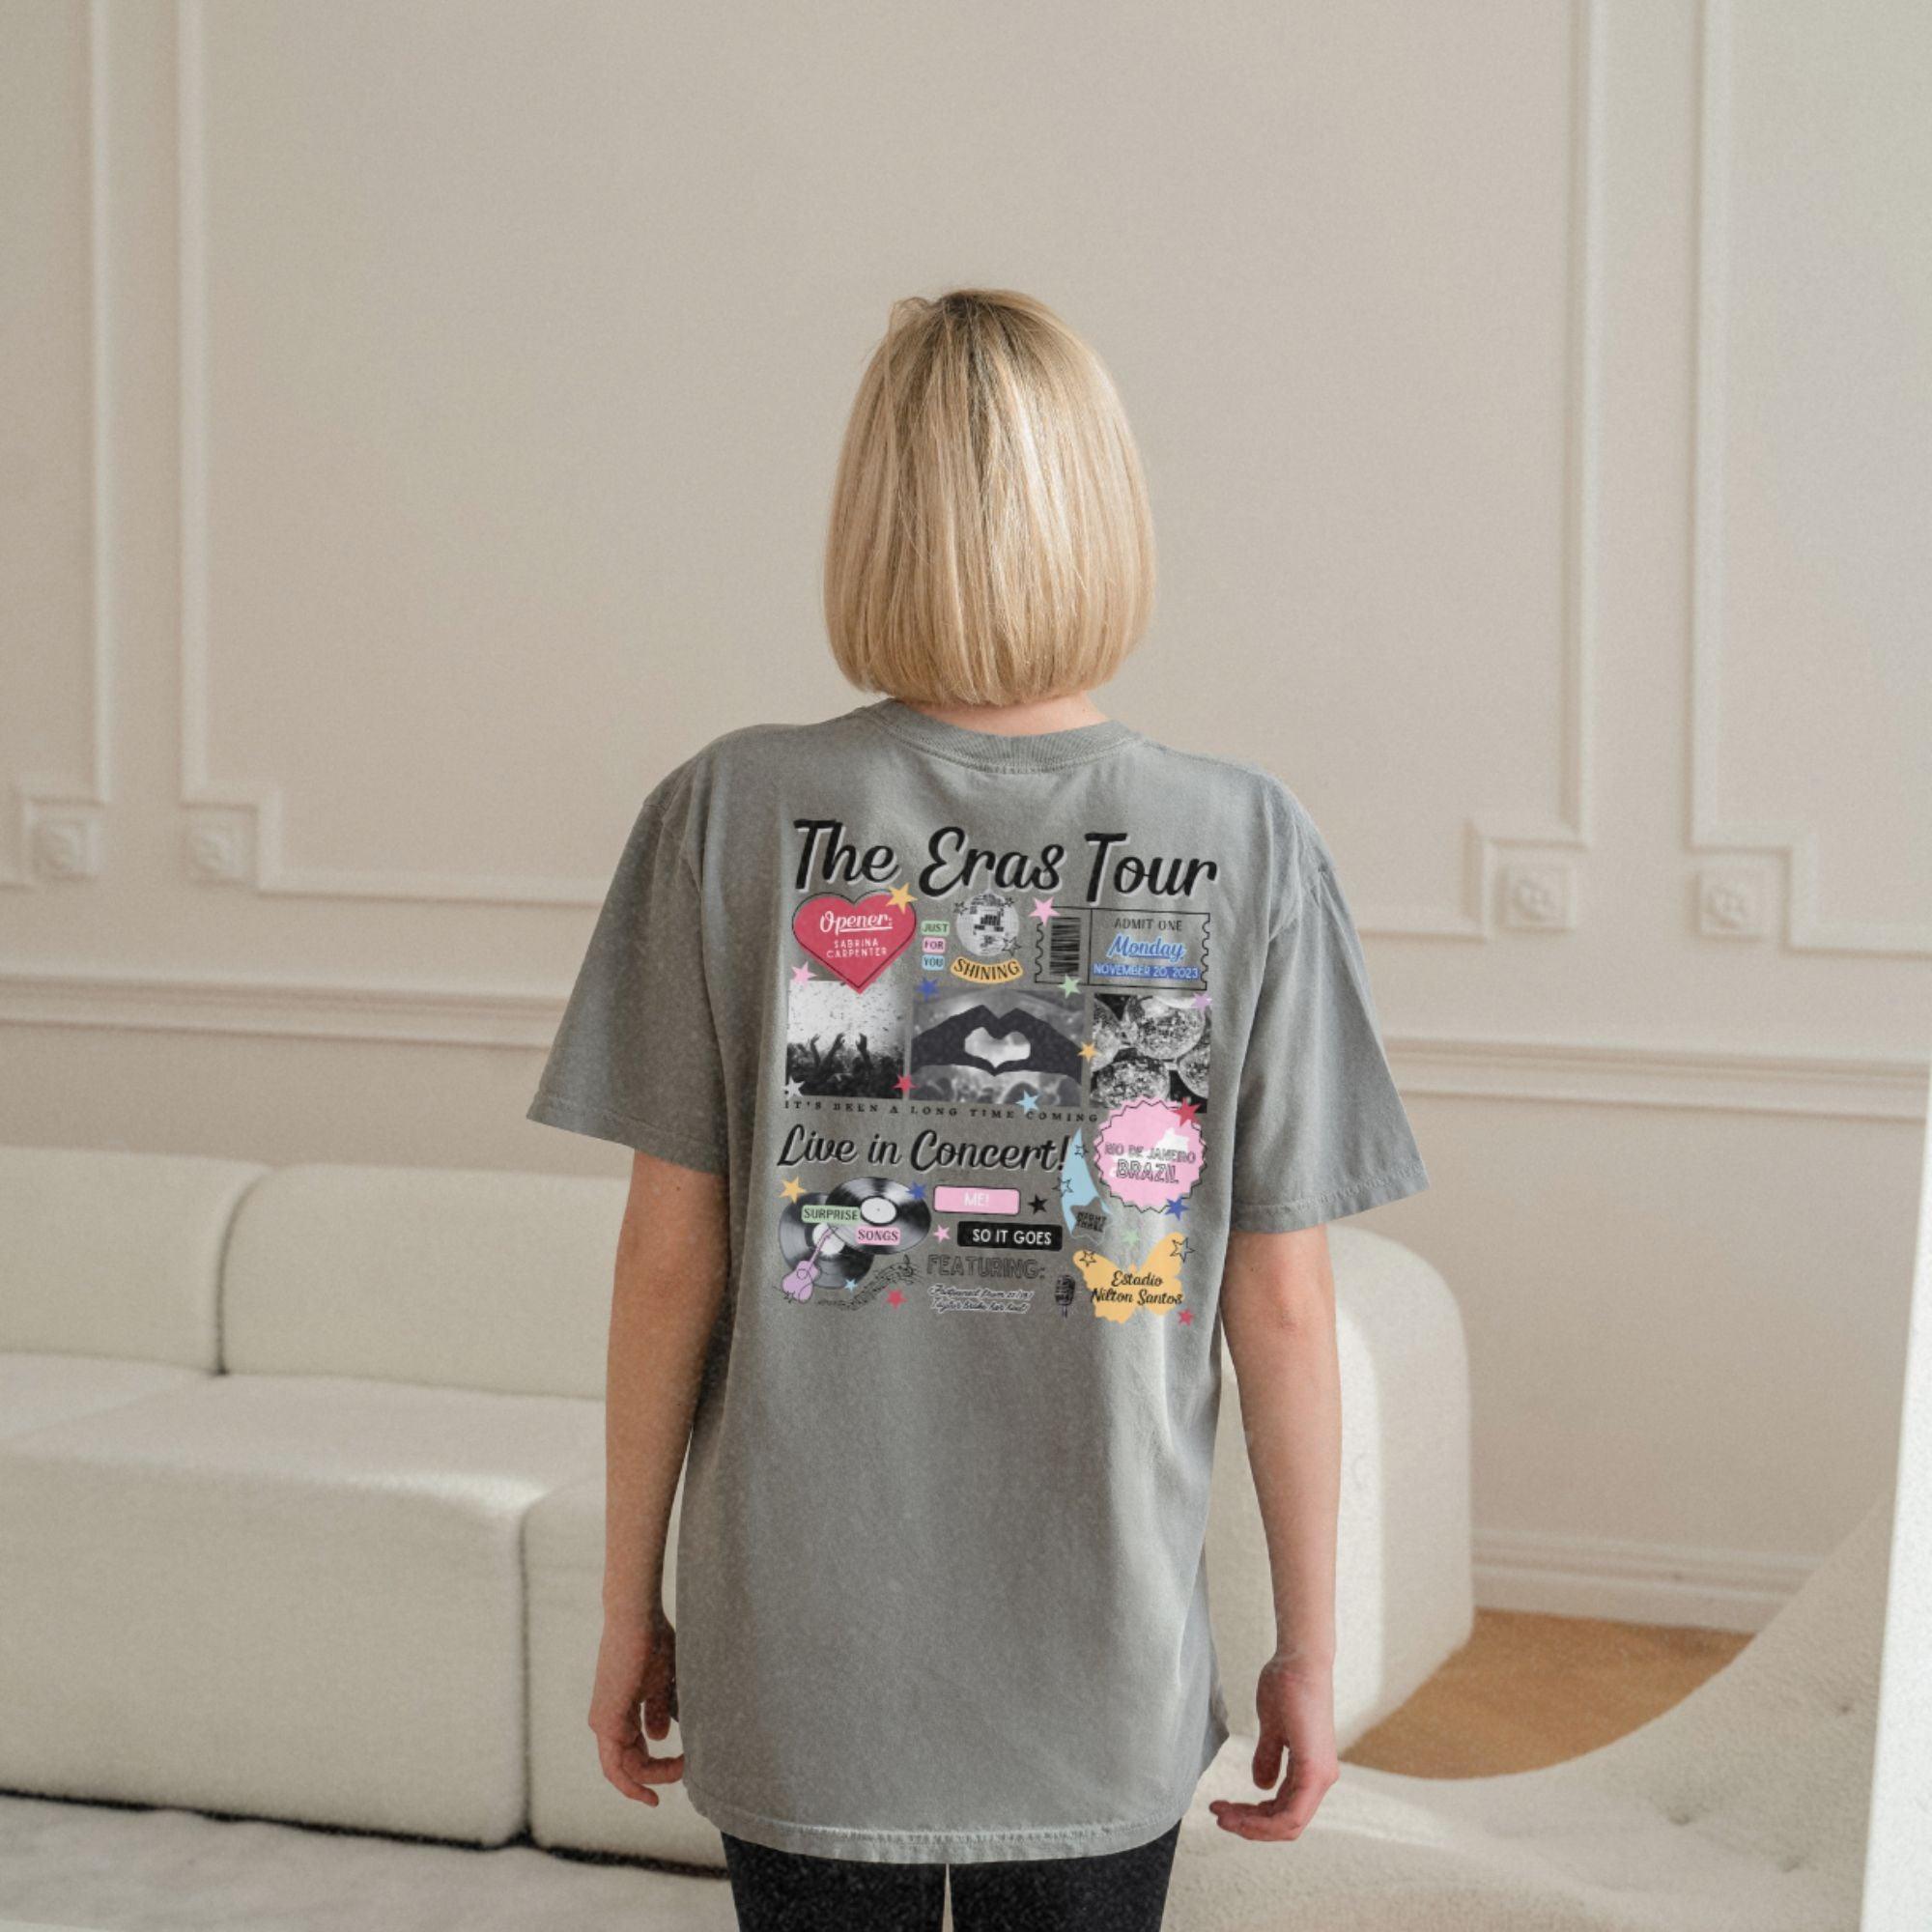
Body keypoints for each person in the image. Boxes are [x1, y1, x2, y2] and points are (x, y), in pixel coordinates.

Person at [526, 288, 1431, 1932]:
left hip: (803, 1654)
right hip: (1104, 1658)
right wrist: (1311, 1652)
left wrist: (627, 1608)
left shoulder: (730, 810)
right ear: (1106, 519)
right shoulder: (1247, 838)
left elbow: (668, 1260)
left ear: (871, 526)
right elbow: (1282, 1304)